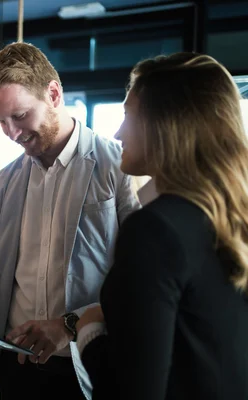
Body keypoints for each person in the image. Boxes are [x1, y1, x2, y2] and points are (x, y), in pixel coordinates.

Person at [0, 42, 140, 399]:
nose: (10, 133)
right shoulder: (3, 183)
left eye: (20, 116)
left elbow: (137, 278)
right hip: (17, 367)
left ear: (53, 94)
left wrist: (68, 325)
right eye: (1, 121)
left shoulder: (120, 166)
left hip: (90, 365)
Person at [75, 53, 248, 399]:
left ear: (165, 125)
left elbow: (133, 390)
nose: (118, 132)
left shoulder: (154, 230)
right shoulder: (232, 219)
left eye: (128, 114)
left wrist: (89, 329)